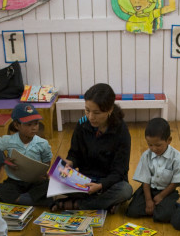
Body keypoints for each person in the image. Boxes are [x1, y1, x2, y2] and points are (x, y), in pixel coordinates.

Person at [52, 83, 133, 213]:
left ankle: (78, 204)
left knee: (125, 190)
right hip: (85, 181)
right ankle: (104, 203)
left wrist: (101, 186)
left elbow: (120, 171)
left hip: (108, 183)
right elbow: (74, 154)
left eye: (97, 113)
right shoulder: (82, 125)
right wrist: (69, 162)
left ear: (110, 110)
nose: (91, 117)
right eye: (87, 110)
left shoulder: (121, 131)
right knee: (51, 181)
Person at [126, 117, 180, 223]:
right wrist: (148, 200)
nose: (154, 149)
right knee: (132, 212)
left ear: (169, 140)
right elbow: (145, 180)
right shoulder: (146, 155)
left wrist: (161, 196)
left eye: (158, 145)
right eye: (150, 145)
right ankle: (158, 209)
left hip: (167, 191)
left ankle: (170, 208)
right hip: (148, 189)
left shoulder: (177, 158)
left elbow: (176, 182)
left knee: (164, 216)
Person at [0, 103, 52, 206]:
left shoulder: (42, 143)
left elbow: (47, 160)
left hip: (34, 182)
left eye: (36, 123)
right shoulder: (8, 141)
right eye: (29, 124)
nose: (34, 128)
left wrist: (42, 172)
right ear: (17, 125)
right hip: (14, 182)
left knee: (49, 186)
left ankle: (19, 199)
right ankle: (29, 200)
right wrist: (4, 160)